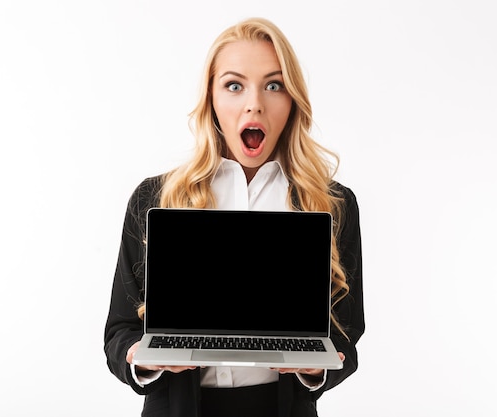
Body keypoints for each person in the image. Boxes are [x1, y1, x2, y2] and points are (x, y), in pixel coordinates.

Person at [104, 17, 364, 417]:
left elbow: (347, 336)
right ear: (211, 98)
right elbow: (119, 331)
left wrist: (316, 369)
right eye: (234, 85)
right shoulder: (154, 198)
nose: (254, 103)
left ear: (292, 99)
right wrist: (142, 356)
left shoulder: (332, 204)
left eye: (273, 85)